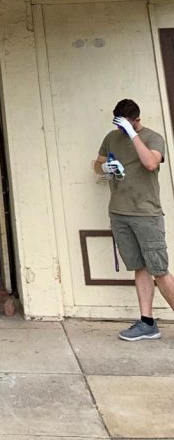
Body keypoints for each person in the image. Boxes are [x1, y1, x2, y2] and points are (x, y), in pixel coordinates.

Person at [94, 99, 174, 340]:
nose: (120, 130)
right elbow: (96, 164)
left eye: (125, 125)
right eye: (118, 125)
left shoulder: (153, 138)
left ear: (136, 120)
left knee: (159, 270)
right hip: (119, 212)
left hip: (146, 214)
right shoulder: (111, 137)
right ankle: (147, 322)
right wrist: (106, 168)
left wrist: (133, 135)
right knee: (139, 267)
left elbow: (151, 163)